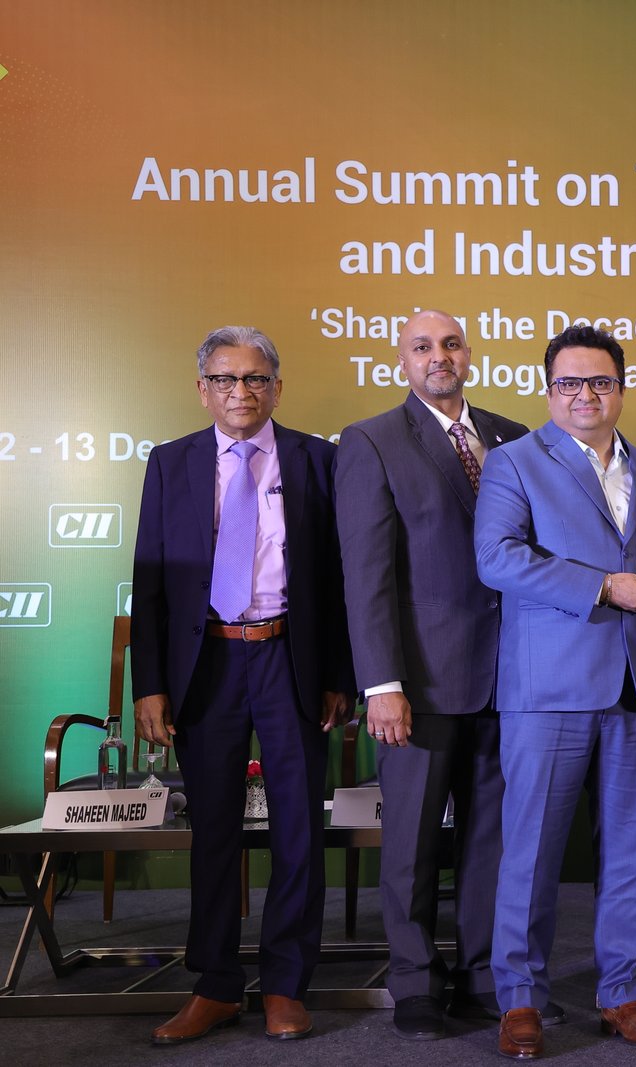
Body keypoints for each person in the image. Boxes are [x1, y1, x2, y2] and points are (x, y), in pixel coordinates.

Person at [131, 326, 354, 1044]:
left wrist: (338, 674)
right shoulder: (171, 463)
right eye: (226, 379)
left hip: (290, 659)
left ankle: (286, 984)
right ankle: (216, 985)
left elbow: (340, 579)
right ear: (203, 389)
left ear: (277, 388)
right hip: (208, 666)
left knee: (298, 829)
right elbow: (150, 579)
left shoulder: (319, 460)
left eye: (255, 378)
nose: (241, 392)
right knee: (214, 832)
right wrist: (149, 684)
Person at [335, 310, 554, 1039]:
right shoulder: (371, 440)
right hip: (419, 683)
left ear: (469, 353)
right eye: (423, 346)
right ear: (402, 360)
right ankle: (415, 982)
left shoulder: (512, 435)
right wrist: (381, 684)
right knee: (413, 843)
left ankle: (483, 975)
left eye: (451, 344)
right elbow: (366, 575)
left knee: (494, 839)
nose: (440, 356)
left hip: (510, 676)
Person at [474, 325, 636, 1059]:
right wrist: (601, 586)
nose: (586, 395)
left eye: (600, 382)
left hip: (633, 683)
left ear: (621, 388)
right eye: (570, 383)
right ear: (549, 390)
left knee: (628, 853)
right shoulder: (514, 461)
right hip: (548, 687)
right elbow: (496, 557)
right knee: (530, 853)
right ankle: (521, 999)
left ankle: (624, 991)